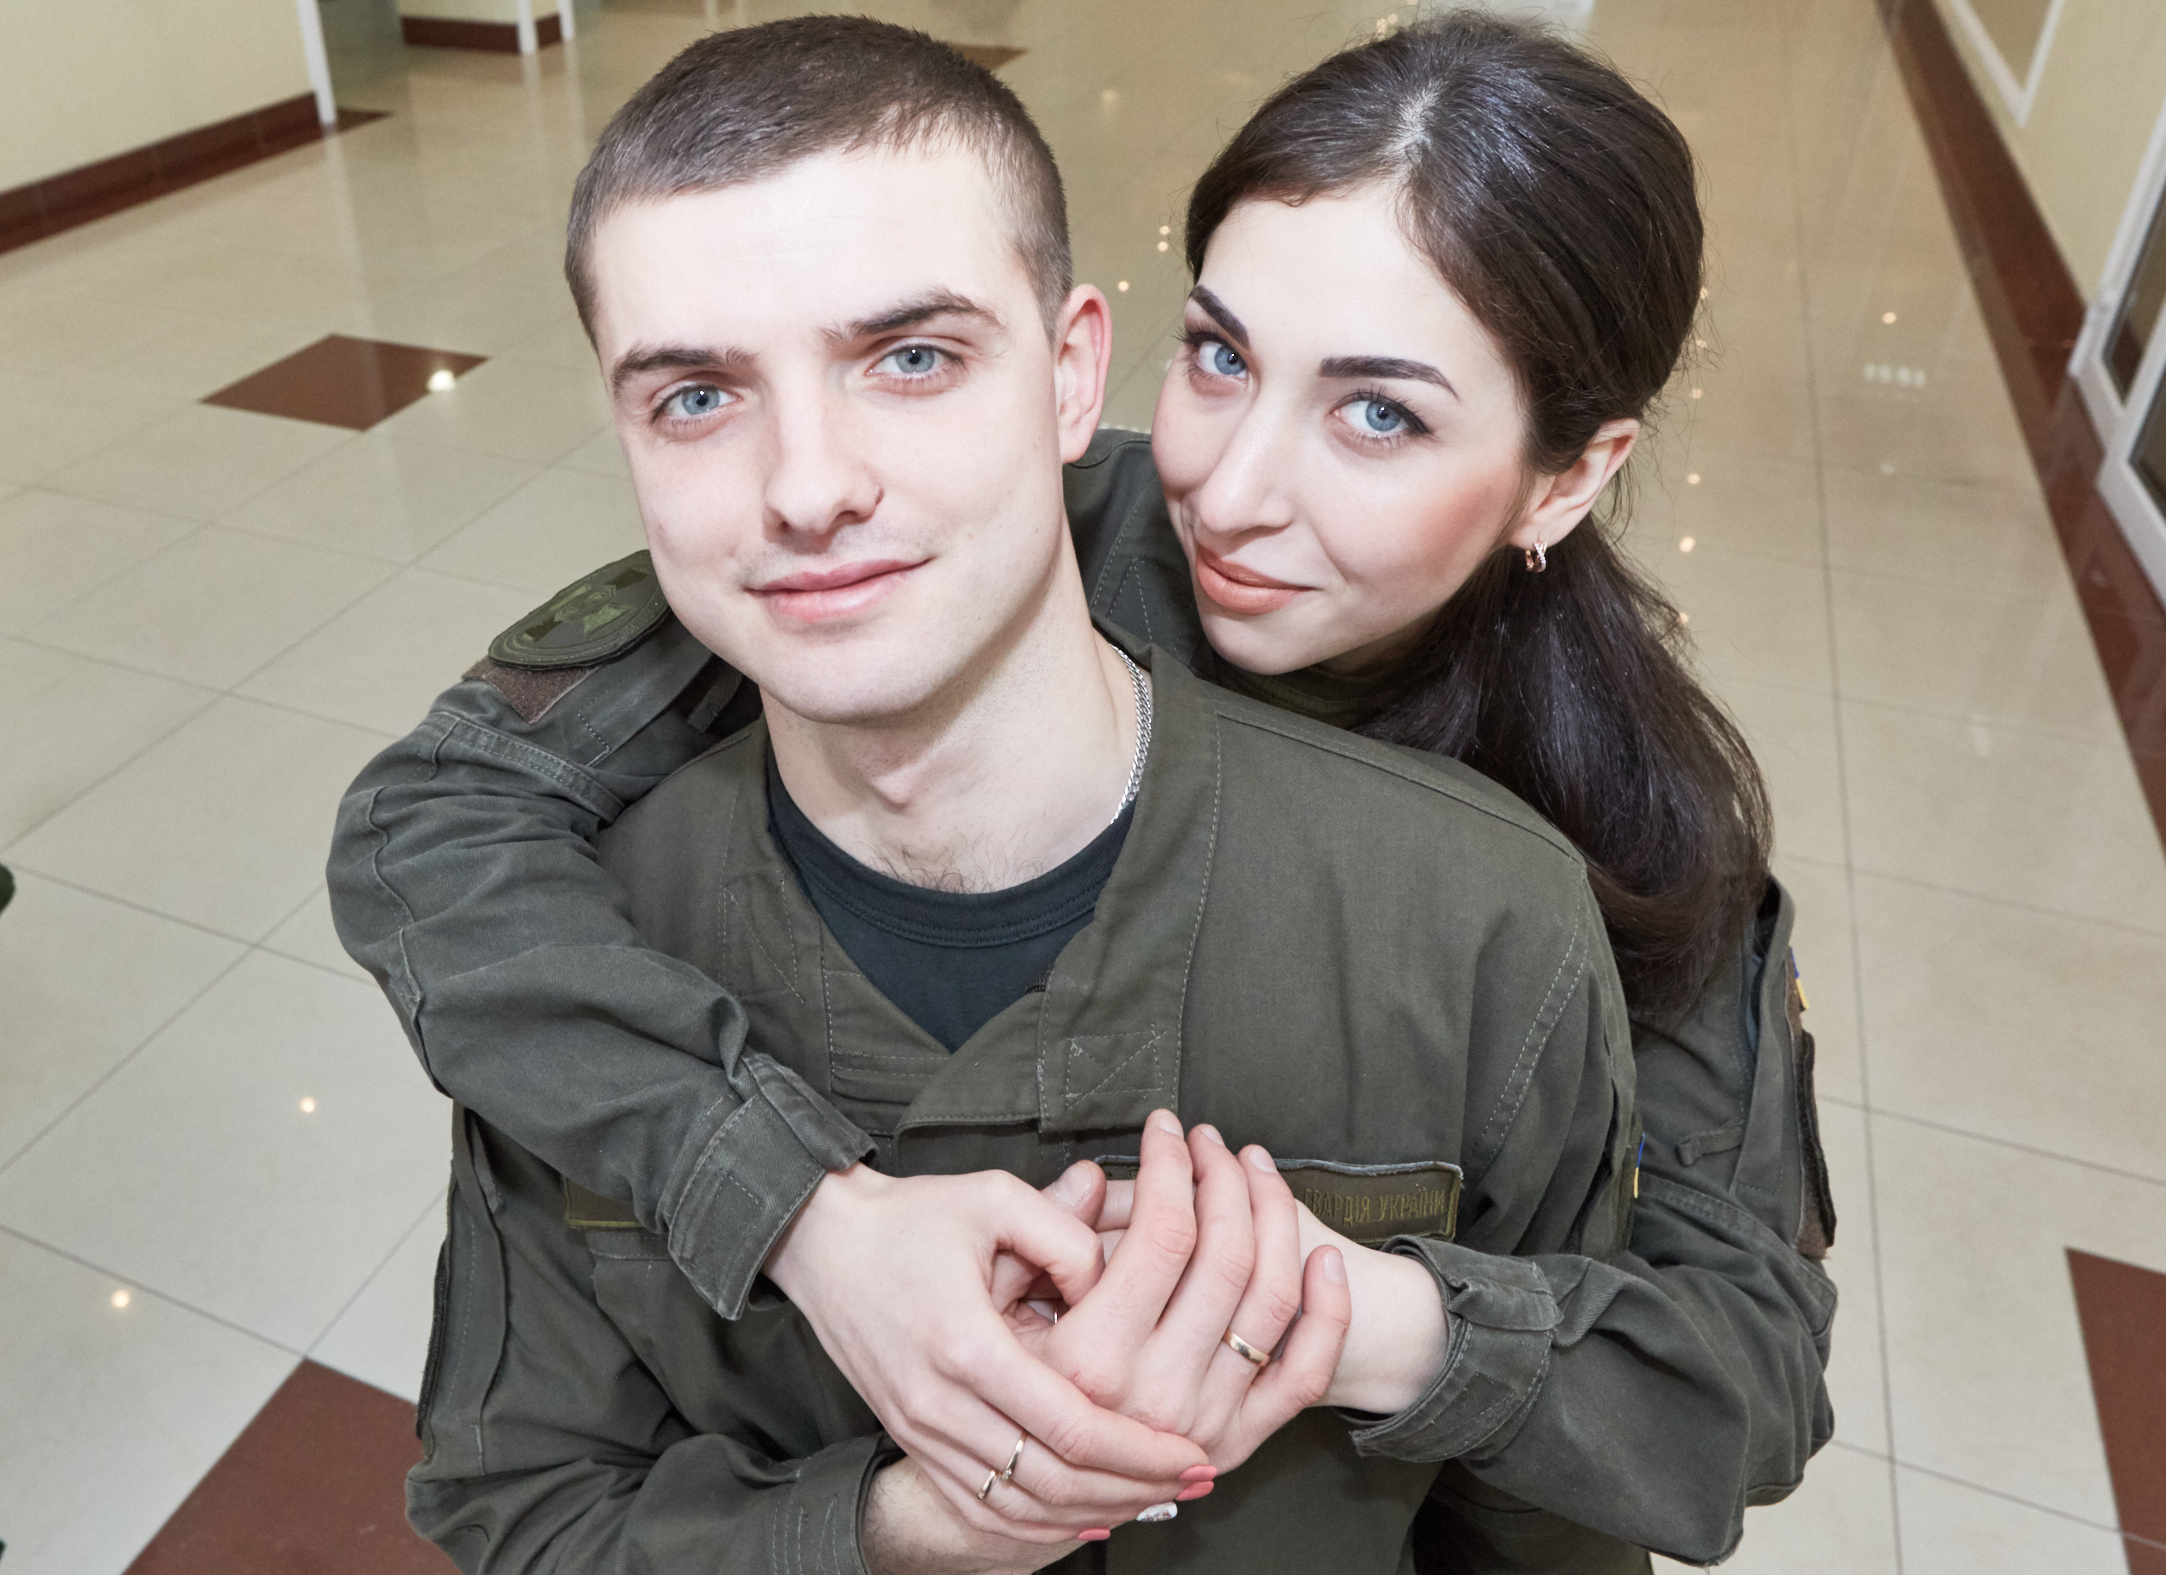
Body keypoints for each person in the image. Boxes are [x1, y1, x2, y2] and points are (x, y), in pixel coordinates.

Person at [331, 12, 1836, 1569]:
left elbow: (1727, 1390)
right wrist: (796, 1209)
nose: (1229, 492)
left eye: (1379, 413)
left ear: (1565, 477)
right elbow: (435, 824)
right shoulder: (1013, 529)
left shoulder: (1612, 838)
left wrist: (1326, 1306)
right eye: (1220, 357)